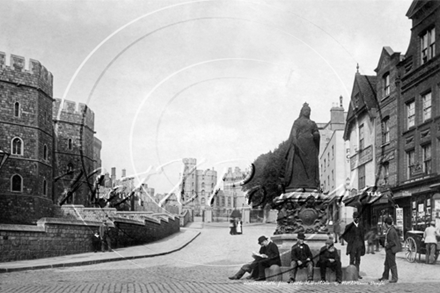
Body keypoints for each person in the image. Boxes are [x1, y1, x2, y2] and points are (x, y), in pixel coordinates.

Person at [283, 103, 320, 191]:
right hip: (299, 145)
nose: (307, 112)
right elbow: (294, 131)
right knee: (298, 166)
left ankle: (310, 183)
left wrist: (316, 135)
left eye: (308, 111)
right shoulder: (297, 122)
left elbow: (316, 132)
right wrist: (294, 138)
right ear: (302, 111)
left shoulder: (312, 123)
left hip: (310, 147)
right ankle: (297, 183)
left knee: (310, 165)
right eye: (305, 110)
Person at [341, 211, 365, 279]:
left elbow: (362, 236)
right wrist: (349, 241)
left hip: (359, 245)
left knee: (358, 259)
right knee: (352, 259)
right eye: (356, 217)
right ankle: (351, 273)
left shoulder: (361, 226)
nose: (357, 219)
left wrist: (362, 245)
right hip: (352, 245)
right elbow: (344, 235)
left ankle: (357, 273)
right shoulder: (349, 226)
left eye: (358, 218)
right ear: (353, 218)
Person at [378, 217, 401, 283]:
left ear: (386, 224)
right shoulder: (391, 229)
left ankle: (394, 277)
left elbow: (392, 242)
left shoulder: (391, 231)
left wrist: (386, 246)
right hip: (390, 249)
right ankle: (385, 276)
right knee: (387, 263)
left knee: (392, 263)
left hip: (391, 250)